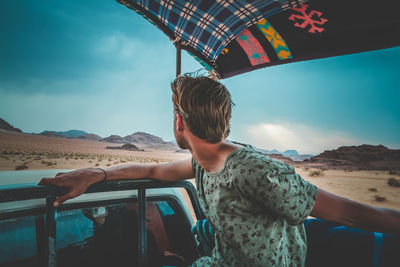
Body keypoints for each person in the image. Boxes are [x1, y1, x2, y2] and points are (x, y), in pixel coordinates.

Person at [38, 74, 400, 267]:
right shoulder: (204, 162)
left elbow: (350, 212)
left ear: (179, 122)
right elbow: (153, 169)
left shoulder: (257, 171)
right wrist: (97, 175)